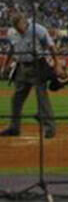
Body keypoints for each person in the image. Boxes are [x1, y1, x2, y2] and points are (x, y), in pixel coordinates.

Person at [0, 11, 64, 139]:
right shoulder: (12, 33)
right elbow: (11, 50)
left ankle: (49, 128)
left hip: (38, 65)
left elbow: (51, 47)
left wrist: (57, 64)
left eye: (20, 27)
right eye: (16, 28)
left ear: (25, 22)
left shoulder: (38, 30)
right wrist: (4, 66)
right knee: (16, 98)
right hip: (21, 67)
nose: (19, 31)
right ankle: (14, 127)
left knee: (41, 97)